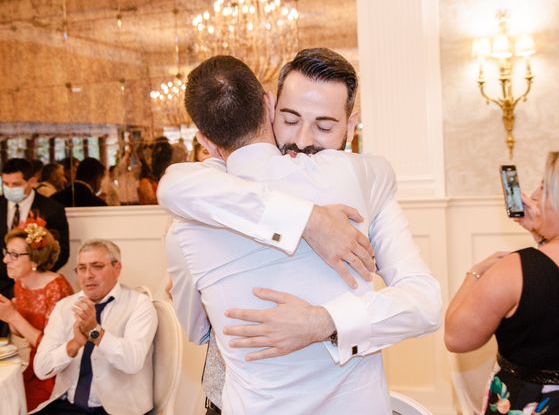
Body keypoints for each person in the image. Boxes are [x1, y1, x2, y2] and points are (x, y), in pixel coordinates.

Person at [160, 55, 441, 414]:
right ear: (270, 107)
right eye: (290, 120)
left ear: (351, 127)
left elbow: (425, 303)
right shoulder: (205, 193)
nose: (302, 141)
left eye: (324, 127)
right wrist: (309, 220)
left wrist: (322, 322)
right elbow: (176, 186)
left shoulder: (363, 185)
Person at [445, 151, 559, 414]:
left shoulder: (515, 270)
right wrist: (542, 233)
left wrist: (474, 274)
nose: (533, 194)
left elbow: (457, 338)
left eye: (544, 187)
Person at [34, 239, 157, 415]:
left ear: (117, 268)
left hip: (118, 410)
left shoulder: (139, 305)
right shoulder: (64, 307)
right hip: (67, 406)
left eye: (97, 266)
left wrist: (96, 332)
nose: (88, 275)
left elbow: (132, 362)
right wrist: (73, 345)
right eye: (82, 268)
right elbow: (42, 369)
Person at [0, 218, 73, 411]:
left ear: (35, 259)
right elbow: (22, 333)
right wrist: (8, 317)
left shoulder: (56, 287)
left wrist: (13, 317)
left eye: (14, 255)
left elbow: (53, 347)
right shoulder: (20, 283)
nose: (5, 260)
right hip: (33, 365)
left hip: (57, 371)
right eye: (7, 253)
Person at [0, 158, 70, 337]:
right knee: (0, 346)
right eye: (5, 183)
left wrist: (34, 277)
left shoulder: (52, 209)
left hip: (35, 291)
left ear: (31, 181)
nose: (9, 188)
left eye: (15, 184)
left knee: (35, 338)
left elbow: (62, 252)